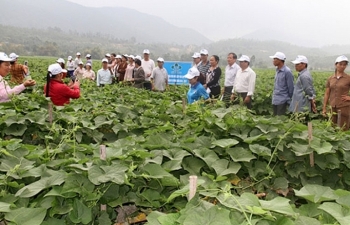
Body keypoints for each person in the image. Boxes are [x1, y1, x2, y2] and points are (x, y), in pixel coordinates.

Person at [322, 55, 350, 130]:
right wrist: (324, 107)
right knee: (332, 128)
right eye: (340, 64)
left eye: (344, 65)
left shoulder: (348, 78)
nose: (342, 66)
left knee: (343, 128)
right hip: (332, 107)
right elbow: (327, 93)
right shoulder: (330, 78)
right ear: (336, 64)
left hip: (344, 107)